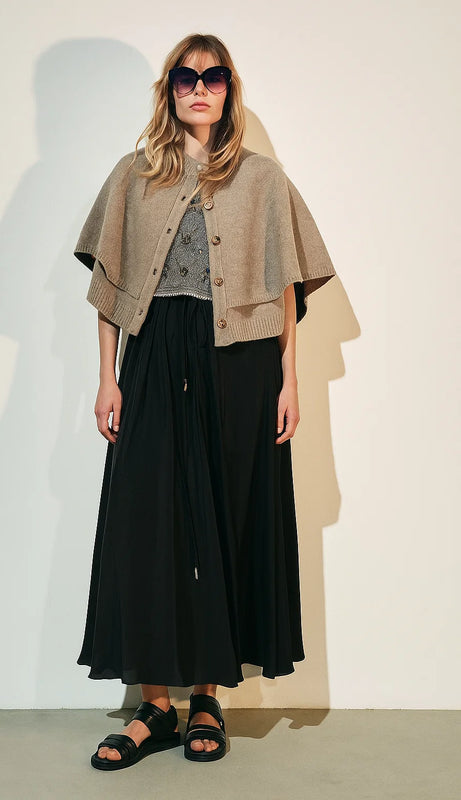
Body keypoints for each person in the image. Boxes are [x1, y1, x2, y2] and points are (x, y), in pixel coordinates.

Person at [73, 33, 337, 771]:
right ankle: (153, 705)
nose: (199, 88)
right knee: (148, 522)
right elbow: (108, 288)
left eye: (213, 76)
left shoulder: (262, 179)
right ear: (169, 90)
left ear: (229, 90)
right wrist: (108, 377)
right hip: (155, 352)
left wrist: (288, 380)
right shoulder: (133, 176)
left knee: (222, 517)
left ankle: (206, 698)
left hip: (239, 360)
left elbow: (286, 289)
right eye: (186, 77)